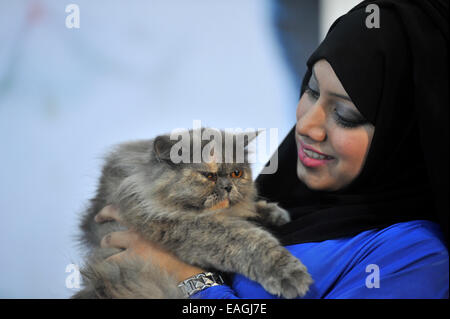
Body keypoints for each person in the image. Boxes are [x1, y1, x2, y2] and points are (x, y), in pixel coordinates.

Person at [93, 0, 448, 298]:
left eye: (345, 114)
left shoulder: (414, 258)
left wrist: (186, 277)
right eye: (310, 90)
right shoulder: (291, 199)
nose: (307, 126)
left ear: (403, 134)